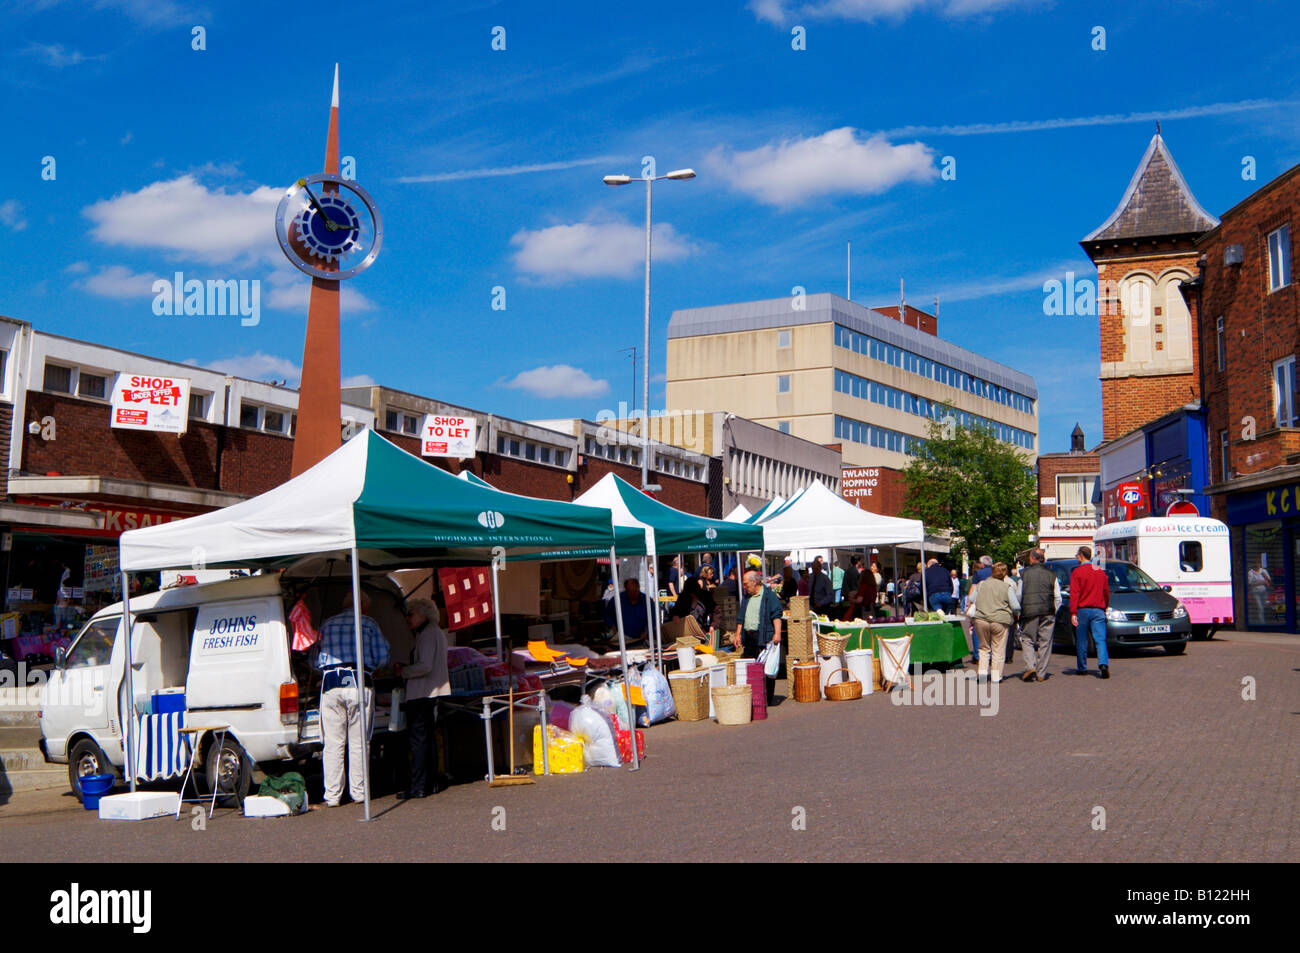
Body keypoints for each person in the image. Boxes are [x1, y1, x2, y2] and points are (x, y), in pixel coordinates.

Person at [315, 590, 390, 807]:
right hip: (358, 680)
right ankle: (359, 793)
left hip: (330, 683)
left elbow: (314, 659)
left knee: (333, 743)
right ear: (364, 606)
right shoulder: (368, 623)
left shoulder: (327, 624)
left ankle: (332, 795)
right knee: (358, 742)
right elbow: (382, 657)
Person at [397, 596, 449, 799]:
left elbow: (425, 665)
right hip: (430, 691)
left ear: (422, 614)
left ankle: (419, 786)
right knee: (427, 739)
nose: (407, 618)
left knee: (419, 740)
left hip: (423, 692)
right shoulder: (431, 633)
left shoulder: (427, 634)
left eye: (411, 614)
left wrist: (404, 671)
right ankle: (430, 783)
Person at [732, 570, 785, 704]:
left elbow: (776, 615)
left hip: (763, 636)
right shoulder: (746, 597)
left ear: (754, 582)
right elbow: (740, 618)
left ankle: (767, 698)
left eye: (746, 584)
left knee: (765, 668)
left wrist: (777, 633)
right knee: (750, 666)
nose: (744, 587)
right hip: (749, 637)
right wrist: (738, 634)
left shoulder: (768, 596)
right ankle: (754, 696)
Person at [972, 562, 1020, 684]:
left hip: (981, 619)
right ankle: (996, 676)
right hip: (1000, 620)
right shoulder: (1006, 587)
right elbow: (1015, 606)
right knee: (998, 648)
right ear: (1005, 573)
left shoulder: (982, 584)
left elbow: (972, 598)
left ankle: (982, 674)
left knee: (983, 648)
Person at [1017, 549, 1060, 683]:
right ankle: (1041, 672)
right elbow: (1058, 597)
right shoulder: (1052, 574)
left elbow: (1018, 595)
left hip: (1029, 611)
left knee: (1027, 639)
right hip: (1048, 611)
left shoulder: (1024, 574)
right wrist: (1054, 610)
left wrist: (1019, 611)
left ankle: (1030, 666)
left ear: (1032, 559)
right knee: (1045, 642)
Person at [1069, 546, 1111, 679]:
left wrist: (1073, 612)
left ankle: (1082, 667)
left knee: (1082, 640)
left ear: (1081, 556)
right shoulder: (1100, 571)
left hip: (1083, 610)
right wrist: (1104, 608)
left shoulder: (1077, 572)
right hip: (1098, 609)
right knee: (1100, 639)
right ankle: (1103, 664)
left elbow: (1074, 594)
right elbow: (1106, 592)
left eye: (1077, 555)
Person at [604, 577, 650, 645]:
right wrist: (612, 626)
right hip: (621, 637)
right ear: (626, 590)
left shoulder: (647, 601)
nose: (633, 594)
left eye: (635, 591)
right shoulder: (617, 600)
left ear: (638, 588)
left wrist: (646, 631)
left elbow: (653, 618)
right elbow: (607, 614)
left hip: (640, 638)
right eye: (630, 591)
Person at [1247, 558, 1271, 623]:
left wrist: (1265, 578)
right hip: (1256, 592)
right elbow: (1250, 583)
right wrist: (1262, 582)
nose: (1257, 564)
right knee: (1259, 607)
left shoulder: (1263, 571)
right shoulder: (1251, 572)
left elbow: (1268, 580)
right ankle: (1262, 623)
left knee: (1262, 607)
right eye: (1256, 563)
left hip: (1264, 592)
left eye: (1258, 563)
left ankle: (1261, 620)